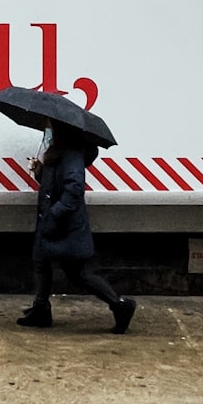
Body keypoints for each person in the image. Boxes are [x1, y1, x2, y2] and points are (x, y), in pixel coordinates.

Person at [17, 118, 137, 334]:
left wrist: (54, 215)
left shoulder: (71, 155)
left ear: (61, 130)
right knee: (41, 262)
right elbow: (53, 183)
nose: (47, 130)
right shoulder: (57, 151)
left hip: (63, 225)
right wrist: (39, 170)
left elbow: (73, 191)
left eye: (50, 126)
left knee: (78, 273)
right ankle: (41, 309)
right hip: (51, 222)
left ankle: (120, 305)